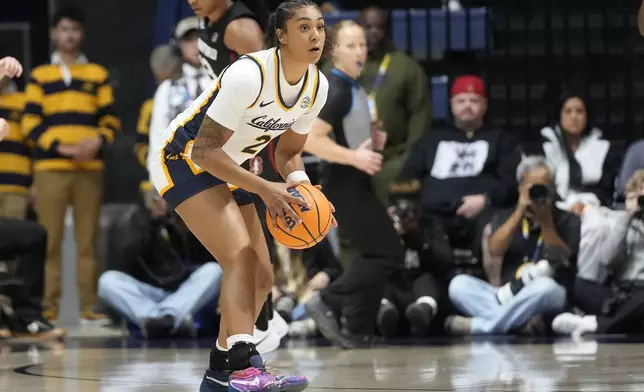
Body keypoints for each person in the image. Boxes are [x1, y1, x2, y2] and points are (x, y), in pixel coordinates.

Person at [148, 1, 329, 391]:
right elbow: (204, 151)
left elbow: (288, 152)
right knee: (240, 258)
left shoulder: (316, 86)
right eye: (303, 28)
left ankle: (218, 372)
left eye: (320, 27)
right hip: (184, 158)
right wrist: (266, 189)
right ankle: (244, 366)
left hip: (233, 164)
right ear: (280, 35)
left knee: (263, 278)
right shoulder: (250, 74)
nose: (315, 35)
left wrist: (302, 188)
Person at [188, 0, 290, 364]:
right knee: (244, 260)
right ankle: (251, 335)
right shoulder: (206, 19)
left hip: (244, 143)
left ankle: (257, 329)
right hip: (218, 143)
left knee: (252, 260)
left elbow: (273, 84)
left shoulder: (239, 28)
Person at [303, 20, 405, 347]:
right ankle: (328, 300)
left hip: (356, 184)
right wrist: (355, 158)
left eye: (362, 44)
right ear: (333, 51)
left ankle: (358, 327)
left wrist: (374, 142)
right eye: (350, 45)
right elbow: (309, 140)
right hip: (342, 185)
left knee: (376, 252)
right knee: (387, 253)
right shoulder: (336, 89)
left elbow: (351, 138)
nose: (359, 51)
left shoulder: (354, 87)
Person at [21, 6, 120, 321]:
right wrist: (61, 147)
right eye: (63, 29)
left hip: (89, 169)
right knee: (48, 240)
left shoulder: (97, 74)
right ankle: (47, 307)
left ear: (82, 33)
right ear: (54, 33)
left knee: (88, 240)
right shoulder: (40, 76)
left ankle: (89, 306)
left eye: (75, 29)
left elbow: (111, 120)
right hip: (50, 170)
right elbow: (29, 124)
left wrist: (97, 141)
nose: (69, 35)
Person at [446, 157, 578, 335]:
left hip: (548, 295)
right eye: (531, 188)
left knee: (545, 286)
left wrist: (545, 220)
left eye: (543, 188)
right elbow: (494, 249)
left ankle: (483, 326)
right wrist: (519, 211)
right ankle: (518, 323)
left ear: (553, 189)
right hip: (505, 295)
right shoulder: (505, 216)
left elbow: (562, 256)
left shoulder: (568, 219)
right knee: (458, 284)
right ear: (520, 188)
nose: (537, 194)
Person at [552, 169, 644, 337]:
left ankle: (593, 324)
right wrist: (628, 216)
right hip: (618, 294)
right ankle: (621, 319)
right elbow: (607, 259)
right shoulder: (620, 221)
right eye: (636, 197)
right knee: (577, 284)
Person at [525, 93, 621, 215]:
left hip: (592, 209)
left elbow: (606, 190)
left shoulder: (602, 148)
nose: (574, 117)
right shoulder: (545, 146)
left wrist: (585, 203)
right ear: (559, 115)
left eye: (579, 111)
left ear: (587, 116)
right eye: (568, 111)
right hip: (552, 211)